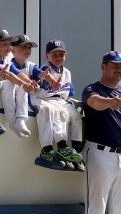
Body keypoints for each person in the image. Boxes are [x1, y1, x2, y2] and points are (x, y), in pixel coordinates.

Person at [82, 51, 121, 214]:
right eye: (115, 66)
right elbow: (93, 102)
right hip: (99, 154)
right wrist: (111, 102)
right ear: (103, 67)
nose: (119, 70)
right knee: (96, 207)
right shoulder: (93, 89)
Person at [31, 40, 84, 171]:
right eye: (54, 55)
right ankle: (61, 148)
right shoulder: (44, 70)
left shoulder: (67, 72)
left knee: (76, 115)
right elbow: (40, 90)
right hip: (46, 99)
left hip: (60, 100)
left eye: (61, 54)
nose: (58, 58)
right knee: (57, 113)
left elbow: (69, 93)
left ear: (66, 55)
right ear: (47, 56)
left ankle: (75, 153)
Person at [0, 29, 36, 139]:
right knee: (11, 83)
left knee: (20, 85)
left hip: (0, 91)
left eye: (9, 44)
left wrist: (31, 83)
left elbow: (18, 74)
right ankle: (12, 120)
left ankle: (20, 119)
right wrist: (23, 84)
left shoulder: (6, 61)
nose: (9, 47)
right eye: (4, 44)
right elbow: (6, 75)